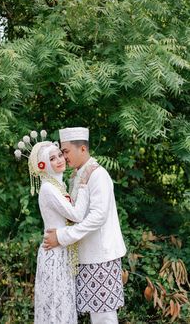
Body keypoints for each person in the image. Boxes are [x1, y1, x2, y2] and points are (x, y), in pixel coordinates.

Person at [43, 127, 127, 324]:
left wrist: (62, 237)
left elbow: (98, 216)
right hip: (86, 255)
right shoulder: (77, 176)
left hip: (101, 255)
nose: (63, 157)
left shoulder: (98, 175)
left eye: (65, 152)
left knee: (104, 316)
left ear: (82, 149)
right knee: (94, 314)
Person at [15, 133, 93, 324]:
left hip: (61, 249)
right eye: (52, 158)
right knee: (56, 304)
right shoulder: (49, 189)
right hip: (55, 253)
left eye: (59, 155)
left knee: (62, 303)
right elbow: (76, 215)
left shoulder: (58, 185)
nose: (59, 160)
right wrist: (83, 186)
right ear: (42, 165)